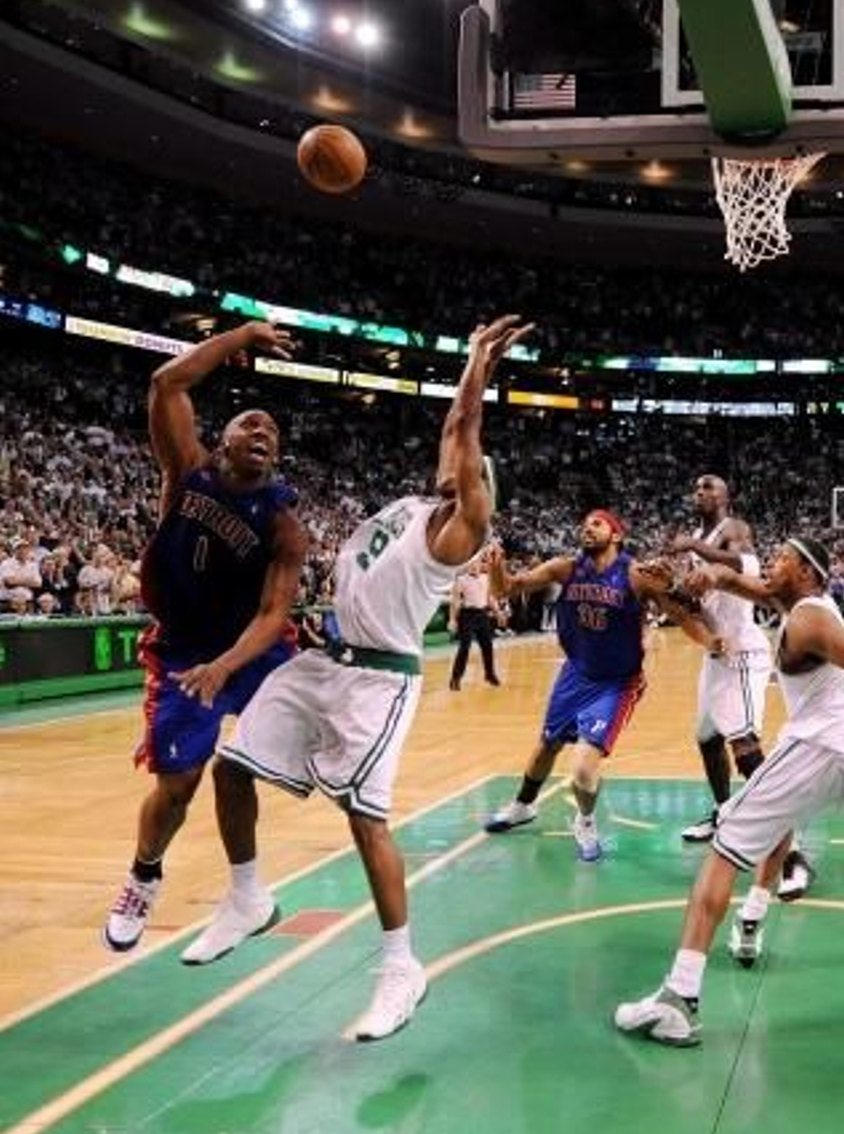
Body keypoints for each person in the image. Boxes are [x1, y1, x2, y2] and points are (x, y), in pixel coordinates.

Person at [178, 315, 529, 1043]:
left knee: (366, 820)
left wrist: (475, 371)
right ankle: (247, 898)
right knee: (232, 769)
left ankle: (401, 968)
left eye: (466, 469)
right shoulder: (411, 508)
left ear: (474, 488)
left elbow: (463, 430)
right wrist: (471, 377)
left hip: (379, 683)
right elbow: (452, 430)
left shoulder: (458, 534)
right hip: (325, 662)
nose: (454, 462)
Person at [614, 537, 844, 1046]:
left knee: (724, 848)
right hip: (838, 748)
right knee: (775, 821)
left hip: (825, 743)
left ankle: (679, 999)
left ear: (808, 573)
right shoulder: (792, 602)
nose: (773, 563)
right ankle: (753, 916)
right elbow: (738, 583)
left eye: (784, 559)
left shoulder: (809, 618)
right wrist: (688, 582)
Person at [102, 321, 308, 954]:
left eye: (272, 431)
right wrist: (240, 334)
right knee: (177, 784)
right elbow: (168, 380)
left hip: (252, 650)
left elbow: (275, 614)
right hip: (185, 651)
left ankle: (248, 891)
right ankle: (144, 875)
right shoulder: (186, 473)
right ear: (221, 438)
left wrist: (228, 664)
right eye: (250, 422)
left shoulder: (283, 524)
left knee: (241, 766)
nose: (263, 432)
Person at [483, 510, 718, 860]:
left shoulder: (636, 575)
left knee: (581, 768)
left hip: (617, 683)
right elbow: (507, 589)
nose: (587, 528)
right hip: (575, 674)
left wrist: (710, 642)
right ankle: (523, 806)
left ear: (616, 535)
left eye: (597, 524)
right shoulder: (565, 568)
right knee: (546, 746)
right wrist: (496, 568)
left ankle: (586, 820)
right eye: (585, 524)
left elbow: (682, 615)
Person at [671, 475, 772, 843]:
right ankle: (724, 812)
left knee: (744, 744)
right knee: (707, 738)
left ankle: (779, 833)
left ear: (726, 496)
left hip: (743, 650)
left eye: (709, 487)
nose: (700, 492)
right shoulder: (700, 540)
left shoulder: (734, 528)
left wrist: (695, 545)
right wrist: (677, 591)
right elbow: (699, 600)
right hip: (716, 650)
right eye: (696, 488)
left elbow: (748, 564)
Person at [448, 549, 501, 690]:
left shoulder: (486, 578)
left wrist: (498, 613)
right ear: (466, 566)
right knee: (464, 647)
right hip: (467, 615)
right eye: (470, 564)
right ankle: (455, 678)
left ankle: (489, 675)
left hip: (482, 614)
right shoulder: (460, 580)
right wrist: (452, 620)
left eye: (475, 563)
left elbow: (490, 598)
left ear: (479, 564)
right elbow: (455, 601)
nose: (473, 566)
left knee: (488, 646)